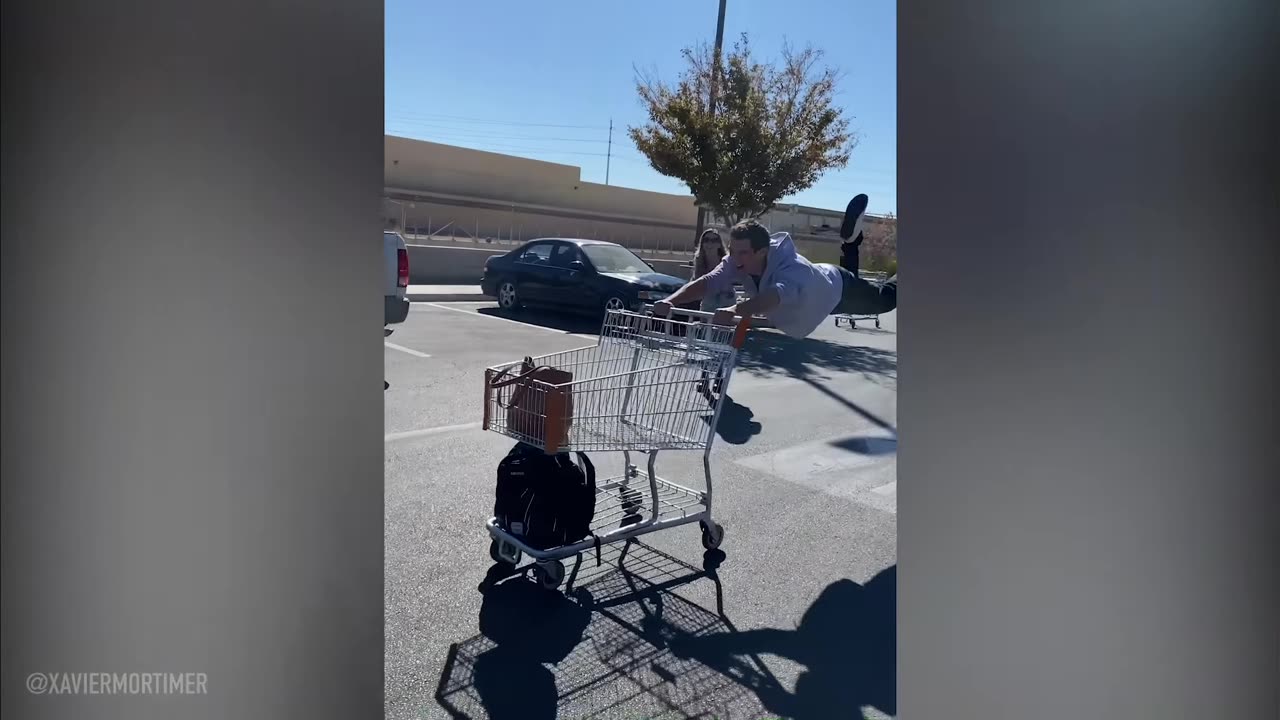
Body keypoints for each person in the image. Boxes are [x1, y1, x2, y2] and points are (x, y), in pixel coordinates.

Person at [654, 217, 897, 340]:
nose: (734, 259)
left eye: (742, 253)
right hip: (821, 291)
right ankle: (851, 243)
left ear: (762, 252)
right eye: (732, 251)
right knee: (865, 285)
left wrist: (734, 309)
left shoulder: (791, 269)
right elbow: (709, 281)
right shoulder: (737, 259)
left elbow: (771, 299)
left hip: (839, 290)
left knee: (886, 299)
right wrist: (672, 301)